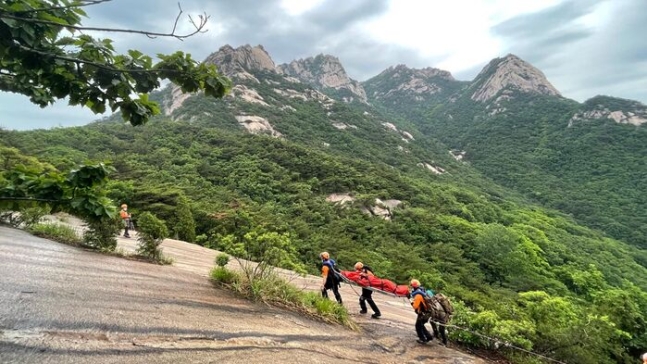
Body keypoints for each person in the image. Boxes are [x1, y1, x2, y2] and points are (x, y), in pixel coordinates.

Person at [410, 279, 434, 344]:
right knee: (421, 325)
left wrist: (411, 301)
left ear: (413, 286)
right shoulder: (422, 291)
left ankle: (422, 339)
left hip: (423, 313)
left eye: (411, 285)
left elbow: (415, 306)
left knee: (418, 326)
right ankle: (429, 337)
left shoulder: (418, 295)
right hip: (427, 312)